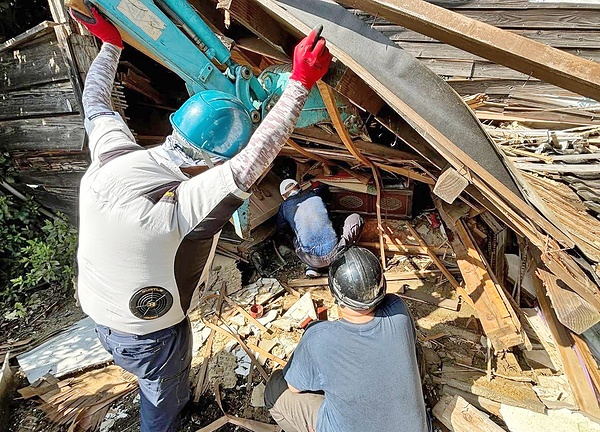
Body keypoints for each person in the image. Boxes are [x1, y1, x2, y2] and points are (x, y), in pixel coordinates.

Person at [69, 6, 332, 432]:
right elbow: (252, 162)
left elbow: (94, 101)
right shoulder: (175, 209)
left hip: (98, 310)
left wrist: (111, 47)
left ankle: (175, 400)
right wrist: (299, 84)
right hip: (146, 333)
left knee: (169, 369)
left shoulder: (112, 158)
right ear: (213, 160)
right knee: (161, 388)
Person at [264, 246, 431, 432]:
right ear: (381, 286)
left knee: (275, 388)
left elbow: (294, 388)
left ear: (335, 295)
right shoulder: (398, 310)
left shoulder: (319, 339)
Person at [277, 179, 363, 277]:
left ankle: (312, 267)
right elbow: (326, 192)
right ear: (299, 187)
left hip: (310, 259)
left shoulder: (283, 207)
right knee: (356, 218)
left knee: (294, 236)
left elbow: (281, 231)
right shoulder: (314, 194)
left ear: (284, 197)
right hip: (335, 253)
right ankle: (345, 254)